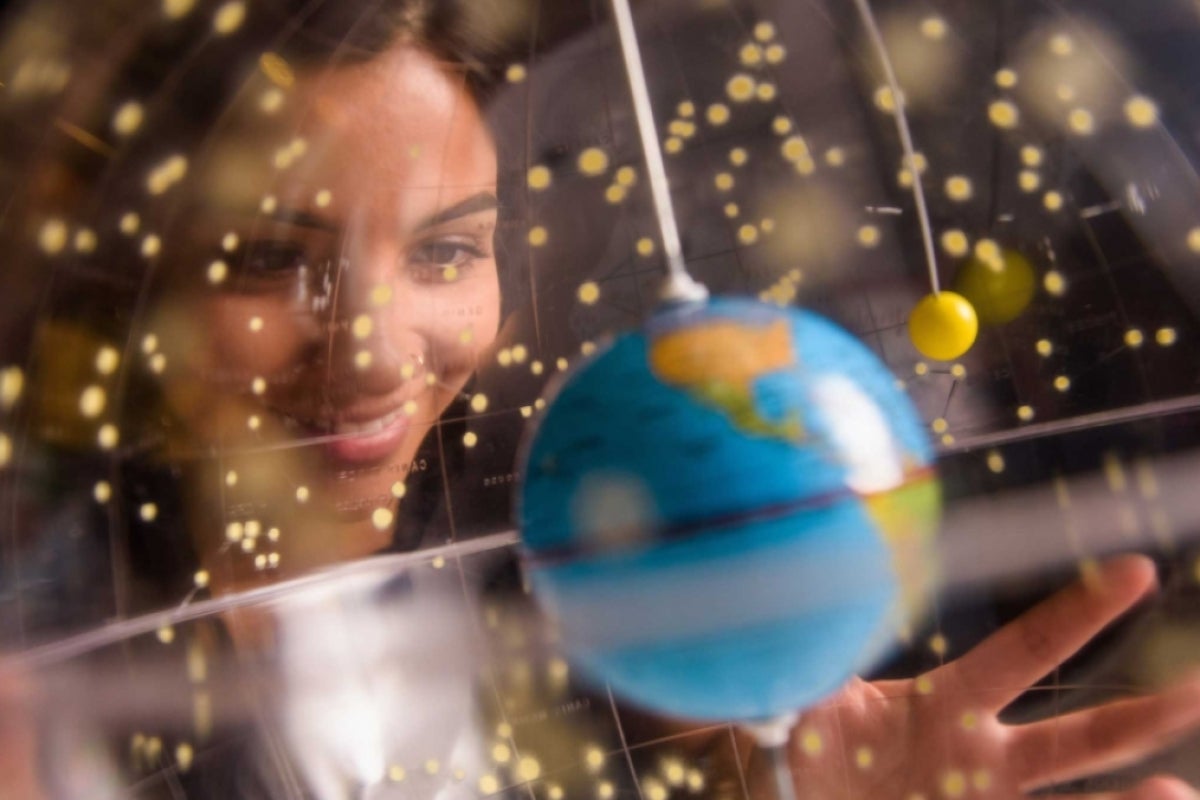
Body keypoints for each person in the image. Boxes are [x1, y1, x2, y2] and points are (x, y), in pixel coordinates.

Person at [1, 1, 1199, 797]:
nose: (374, 357)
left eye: (445, 252)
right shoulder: (40, 701)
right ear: (125, 283)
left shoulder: (594, 591)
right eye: (270, 257)